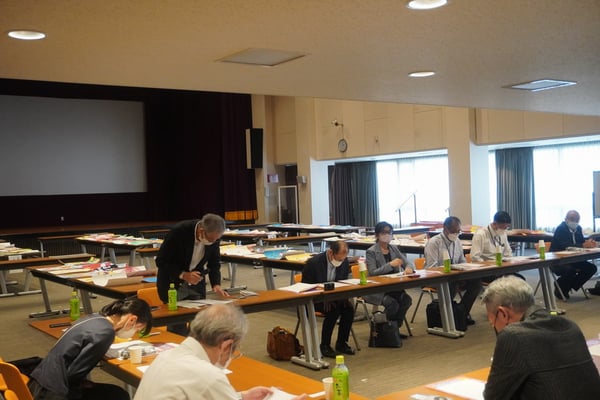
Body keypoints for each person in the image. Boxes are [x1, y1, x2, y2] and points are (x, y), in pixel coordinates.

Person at [134, 303, 307, 400]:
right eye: (235, 351)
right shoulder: (208, 376)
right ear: (226, 346)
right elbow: (205, 386)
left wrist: (242, 397)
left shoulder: (166, 356)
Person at [482, 275, 600, 399]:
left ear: (503, 314)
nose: (494, 326)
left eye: (492, 322)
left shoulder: (513, 335)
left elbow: (494, 396)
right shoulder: (570, 326)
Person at [28, 298, 153, 400]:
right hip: (55, 391)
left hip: (39, 381)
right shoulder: (105, 332)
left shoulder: (94, 318)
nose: (134, 332)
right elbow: (75, 373)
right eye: (138, 329)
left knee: (114, 393)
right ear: (132, 319)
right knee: (118, 395)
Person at [156, 214, 229, 319]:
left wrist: (216, 284)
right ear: (201, 231)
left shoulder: (214, 238)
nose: (213, 242)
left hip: (196, 283)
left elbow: (214, 263)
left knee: (200, 320)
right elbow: (161, 261)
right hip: (173, 283)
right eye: (211, 239)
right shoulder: (179, 232)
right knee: (177, 321)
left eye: (216, 239)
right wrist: (183, 274)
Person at [301, 240, 355, 358]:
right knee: (333, 310)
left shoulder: (344, 261)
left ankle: (342, 343)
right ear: (330, 253)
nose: (340, 262)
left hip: (334, 296)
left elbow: (343, 282)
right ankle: (325, 345)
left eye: (342, 259)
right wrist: (323, 296)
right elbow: (305, 286)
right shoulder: (314, 263)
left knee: (349, 309)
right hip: (314, 299)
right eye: (338, 259)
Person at [424, 216, 481, 325]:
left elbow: (462, 261)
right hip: (435, 278)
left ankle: (461, 314)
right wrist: (451, 270)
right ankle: (447, 317)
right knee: (451, 284)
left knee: (476, 283)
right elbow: (431, 267)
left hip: (455, 276)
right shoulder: (434, 242)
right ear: (445, 229)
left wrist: (465, 270)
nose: (456, 234)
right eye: (454, 231)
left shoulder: (457, 241)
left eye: (458, 231)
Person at [364, 221, 412, 336]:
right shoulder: (371, 251)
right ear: (377, 235)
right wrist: (390, 265)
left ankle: (394, 329)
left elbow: (407, 262)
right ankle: (381, 329)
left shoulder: (393, 248)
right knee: (393, 304)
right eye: (384, 232)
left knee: (406, 300)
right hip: (377, 289)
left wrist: (409, 268)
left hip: (393, 286)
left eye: (389, 232)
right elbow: (373, 273)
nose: (387, 235)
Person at [550, 210, 598, 300]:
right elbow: (565, 245)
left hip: (574, 259)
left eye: (577, 219)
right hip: (558, 260)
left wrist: (589, 244)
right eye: (572, 219)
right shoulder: (561, 229)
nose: (575, 221)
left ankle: (562, 285)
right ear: (566, 219)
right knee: (570, 270)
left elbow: (581, 243)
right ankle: (562, 288)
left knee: (591, 268)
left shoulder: (578, 228)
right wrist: (583, 245)